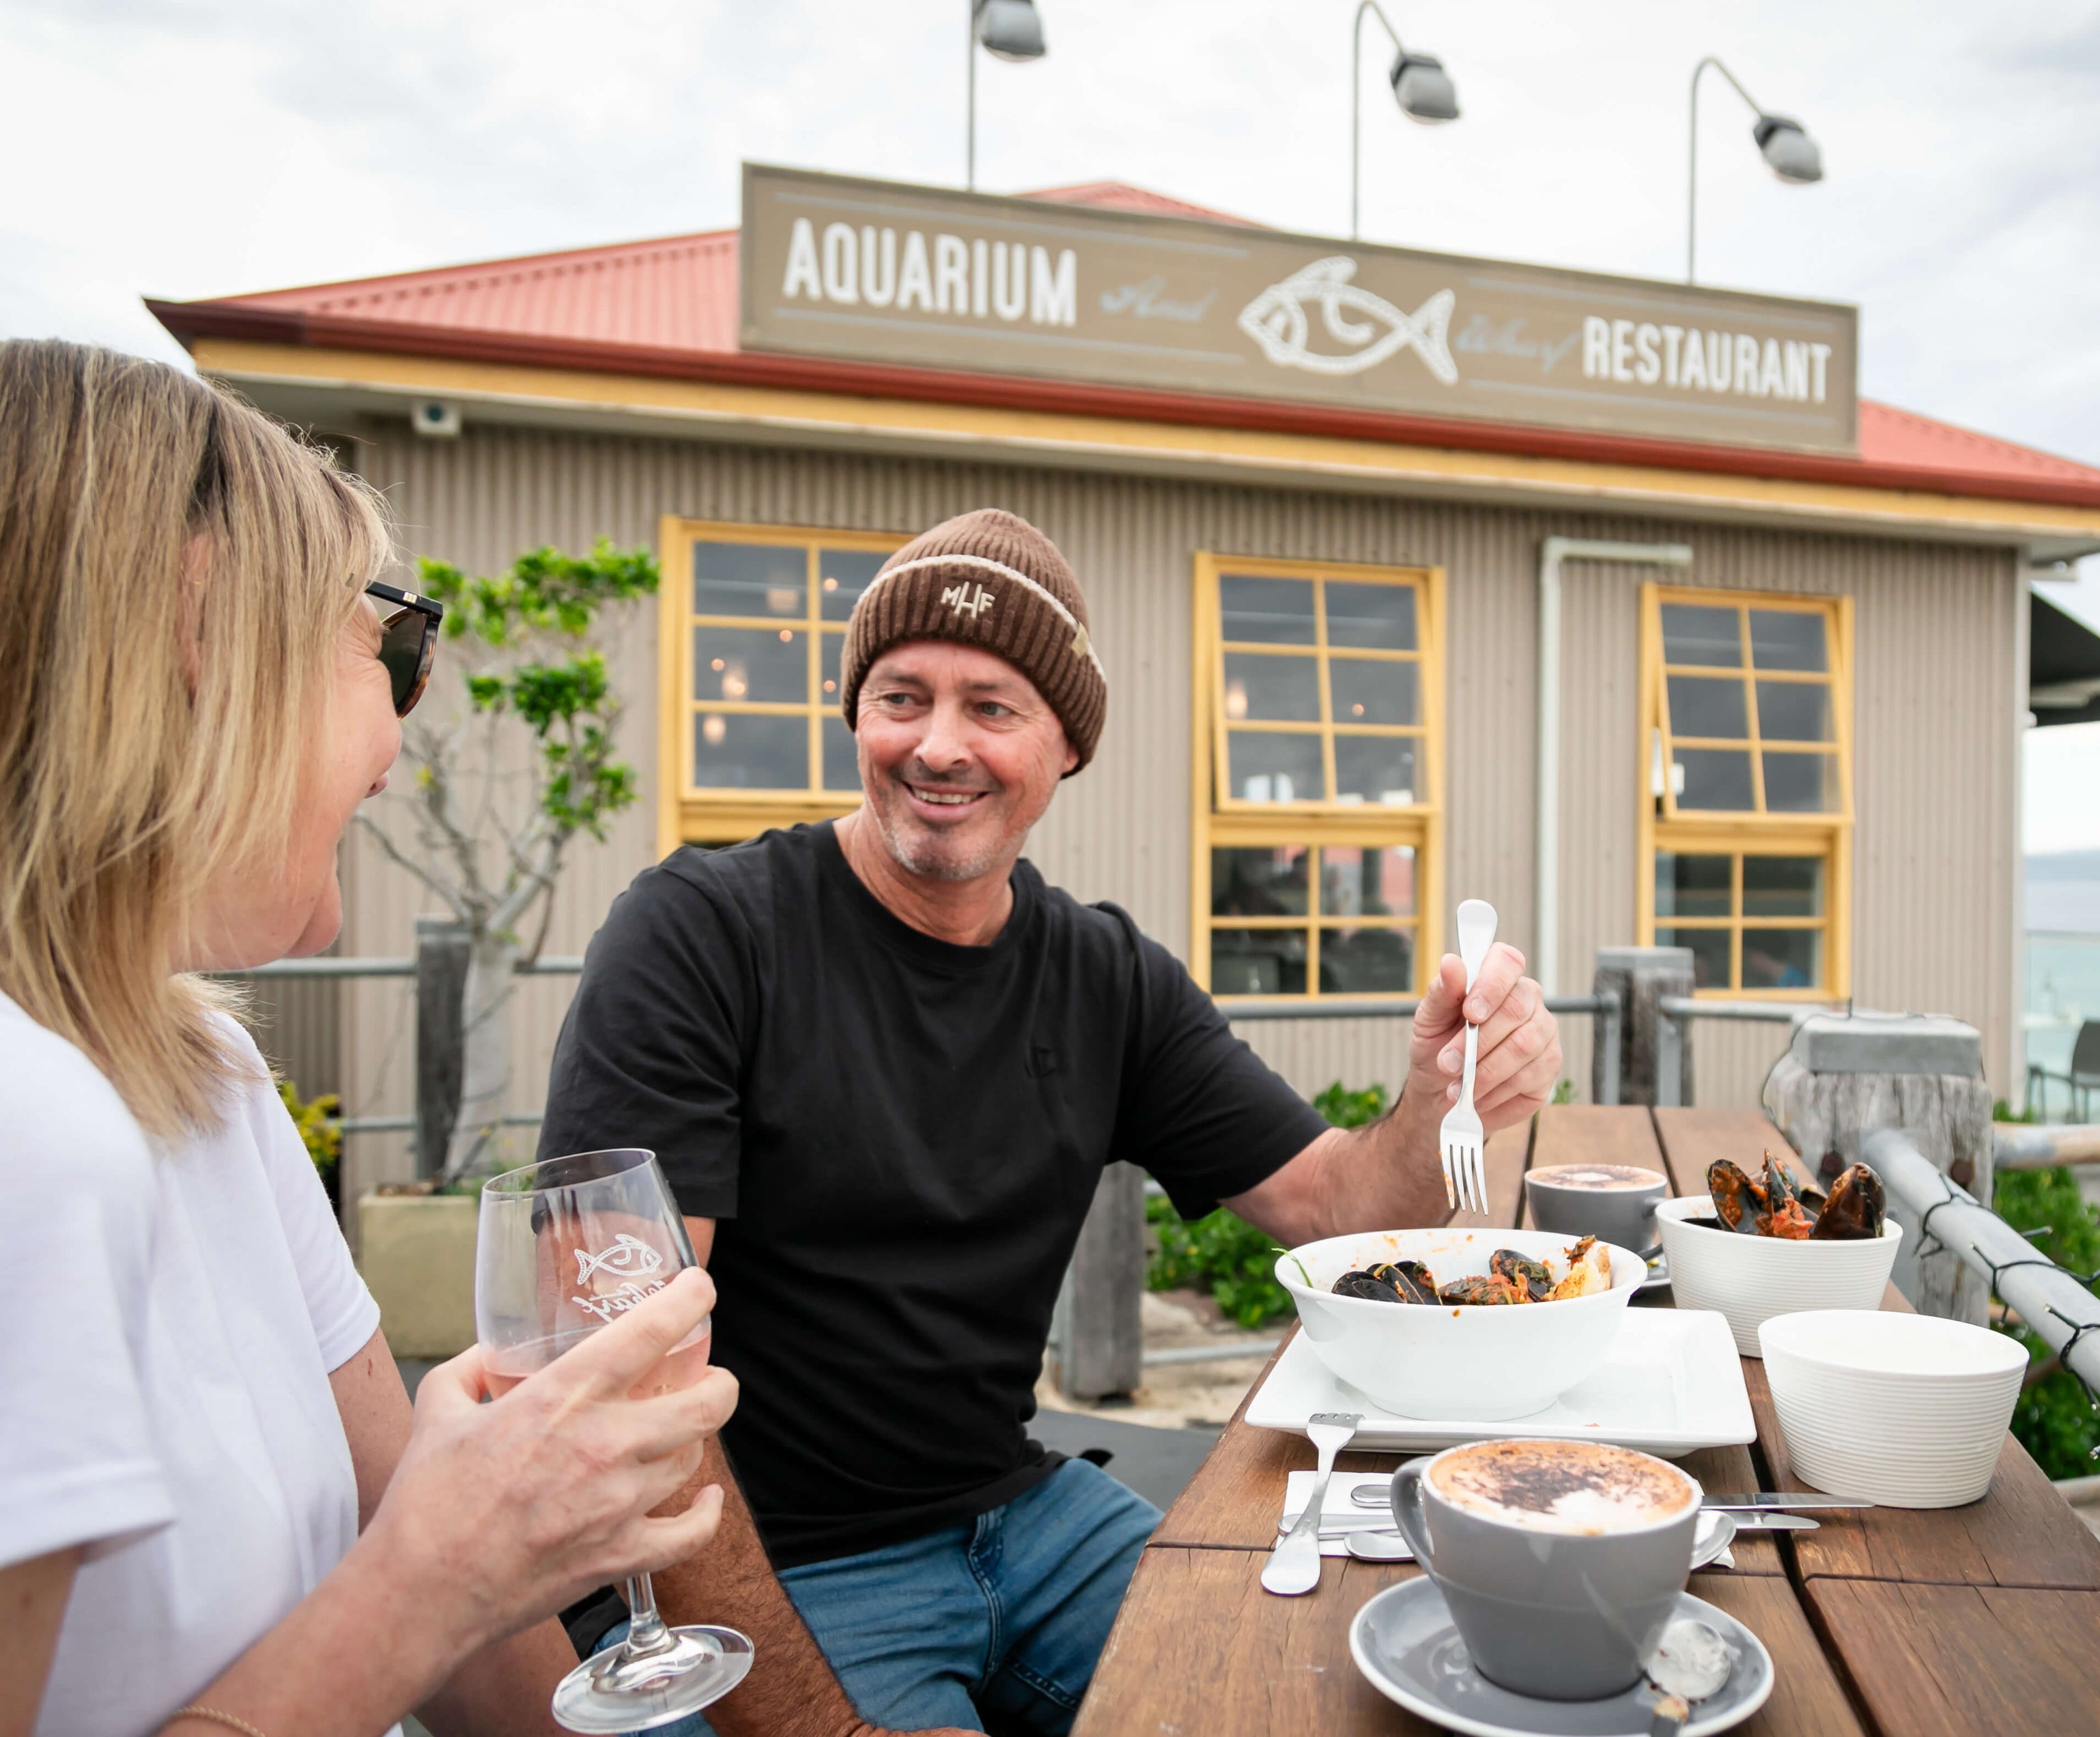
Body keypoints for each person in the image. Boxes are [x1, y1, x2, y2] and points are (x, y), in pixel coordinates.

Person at [537, 508, 1563, 1737]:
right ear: (855, 715)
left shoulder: (1103, 974)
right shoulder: (700, 934)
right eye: (901, 696)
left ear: (1066, 744)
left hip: (1025, 1520)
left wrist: (1448, 1096)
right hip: (771, 1562)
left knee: (1329, 1692)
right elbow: (620, 1371)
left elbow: (1336, 1205)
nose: (936, 746)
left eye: (992, 707)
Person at [0, 341, 740, 1737]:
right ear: (192, 624)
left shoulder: (207, 1079)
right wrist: (433, 1575)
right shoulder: (25, 1129)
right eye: (392, 635)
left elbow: (428, 1564)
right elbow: (421, 1577)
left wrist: (472, 1544)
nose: (412, 712)